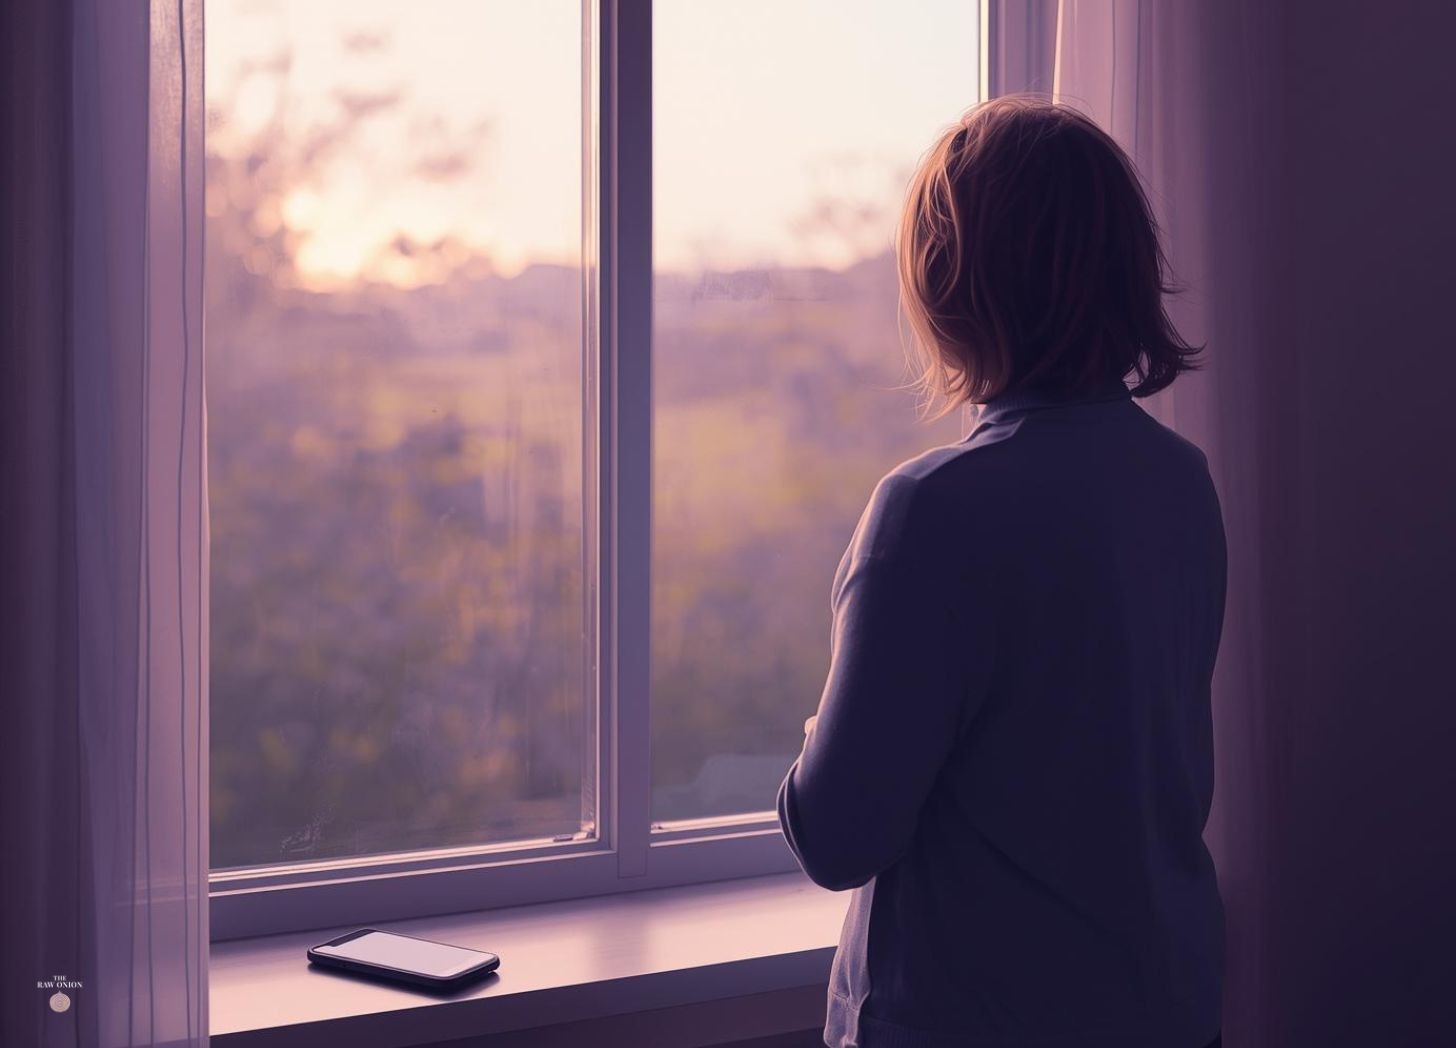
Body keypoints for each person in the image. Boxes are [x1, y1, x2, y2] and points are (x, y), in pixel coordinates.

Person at [776, 96, 1226, 1048]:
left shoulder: (934, 511)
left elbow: (836, 835)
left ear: (951, 286)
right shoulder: (1181, 484)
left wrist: (826, 722)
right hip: (1162, 1011)